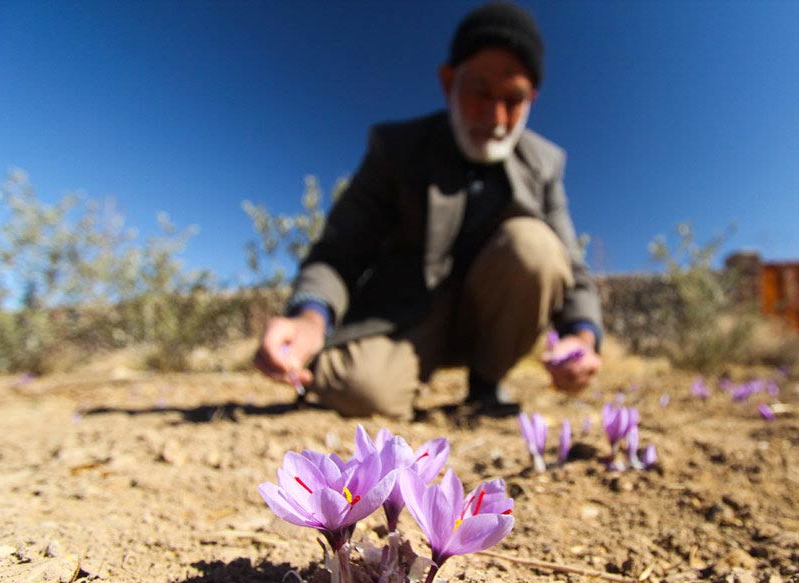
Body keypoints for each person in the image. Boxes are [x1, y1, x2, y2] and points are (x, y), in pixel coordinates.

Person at [254, 1, 603, 420]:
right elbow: (339, 252)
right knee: (358, 393)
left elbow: (572, 269)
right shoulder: (396, 149)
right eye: (480, 91)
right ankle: (356, 365)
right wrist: (310, 318)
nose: (495, 117)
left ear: (532, 99)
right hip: (404, 315)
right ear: (448, 80)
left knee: (537, 248)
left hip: (492, 318)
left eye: (513, 99)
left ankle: (486, 383)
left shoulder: (544, 164)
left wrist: (581, 337)